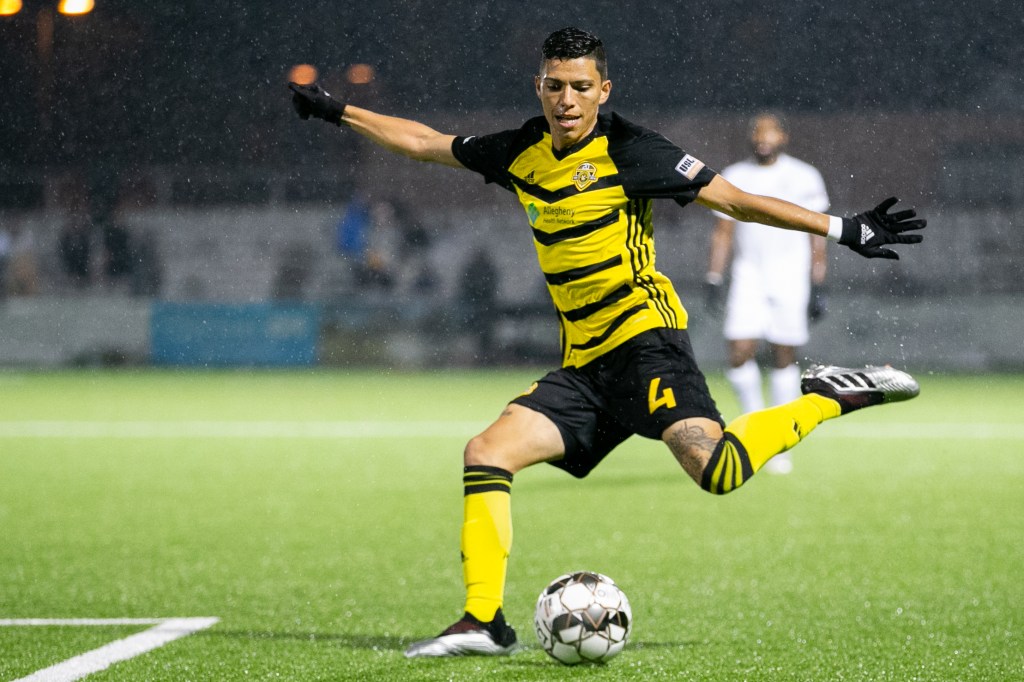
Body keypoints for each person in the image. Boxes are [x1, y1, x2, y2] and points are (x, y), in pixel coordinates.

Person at [289, 26, 926, 658]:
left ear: (603, 90)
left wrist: (844, 229)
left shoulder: (633, 150)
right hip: (584, 365)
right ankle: (483, 622)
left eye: (580, 87)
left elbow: (735, 200)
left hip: (647, 341)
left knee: (719, 471)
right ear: (540, 87)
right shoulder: (520, 150)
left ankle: (824, 395)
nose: (566, 100)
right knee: (486, 452)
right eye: (556, 86)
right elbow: (425, 143)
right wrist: (338, 111)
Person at [705, 112, 830, 474]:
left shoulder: (804, 176)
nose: (763, 138)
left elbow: (817, 233)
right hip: (748, 276)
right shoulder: (735, 175)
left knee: (783, 355)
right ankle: (754, 427)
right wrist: (714, 277)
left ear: (784, 137)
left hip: (791, 277)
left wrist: (818, 283)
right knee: (739, 350)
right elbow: (723, 232)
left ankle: (780, 443)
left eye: (770, 132)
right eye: (757, 133)